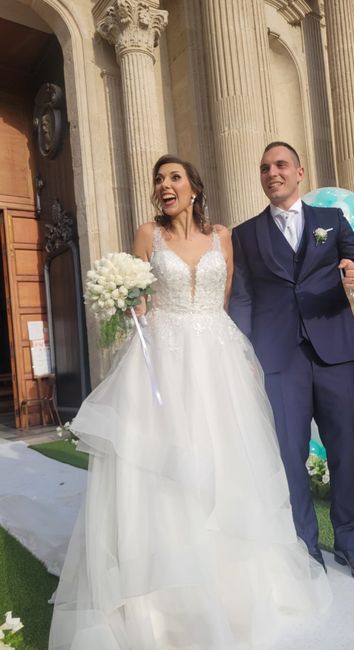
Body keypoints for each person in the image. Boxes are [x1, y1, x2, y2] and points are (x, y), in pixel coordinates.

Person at [48, 155, 331, 650]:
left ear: (194, 187)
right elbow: (140, 303)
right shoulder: (147, 235)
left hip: (217, 361)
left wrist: (233, 354)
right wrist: (126, 303)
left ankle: (231, 587)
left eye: (174, 177)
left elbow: (224, 300)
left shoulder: (222, 237)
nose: (165, 185)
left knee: (224, 461)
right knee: (166, 470)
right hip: (163, 360)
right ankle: (163, 595)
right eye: (159, 179)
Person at [229, 141, 354, 586]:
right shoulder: (245, 234)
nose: (272, 173)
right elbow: (243, 299)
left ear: (299, 172)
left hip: (333, 352)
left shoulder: (331, 220)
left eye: (280, 165)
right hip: (279, 359)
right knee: (289, 455)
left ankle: (349, 544)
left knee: (345, 450)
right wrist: (246, 352)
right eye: (264, 168)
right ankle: (306, 547)